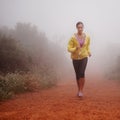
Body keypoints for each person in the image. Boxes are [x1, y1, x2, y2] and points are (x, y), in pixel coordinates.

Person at [67, 21, 91, 97]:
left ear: (83, 28)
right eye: (79, 27)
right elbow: (68, 48)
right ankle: (79, 89)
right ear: (76, 28)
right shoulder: (73, 38)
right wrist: (75, 48)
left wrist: (89, 52)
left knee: (81, 72)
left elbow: (87, 47)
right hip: (75, 58)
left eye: (81, 27)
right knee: (77, 75)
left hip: (84, 57)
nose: (80, 29)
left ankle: (81, 90)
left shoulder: (87, 37)